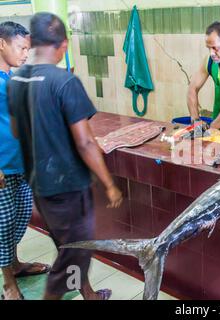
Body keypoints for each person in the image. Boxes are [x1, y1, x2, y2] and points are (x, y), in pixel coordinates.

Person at [7, 12, 123, 300]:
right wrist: (108, 183)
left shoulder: (16, 80)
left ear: (32, 42)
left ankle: (88, 294)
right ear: (64, 45)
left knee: (67, 246)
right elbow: (84, 143)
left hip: (40, 186)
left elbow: (17, 131)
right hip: (68, 187)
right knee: (75, 251)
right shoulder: (64, 82)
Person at [0, 21, 50, 300]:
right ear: (1, 44)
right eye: (20, 48)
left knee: (20, 218)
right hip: (2, 168)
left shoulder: (9, 78)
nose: (24, 54)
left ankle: (15, 264)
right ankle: (8, 283)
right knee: (3, 225)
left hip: (21, 164)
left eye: (27, 49)